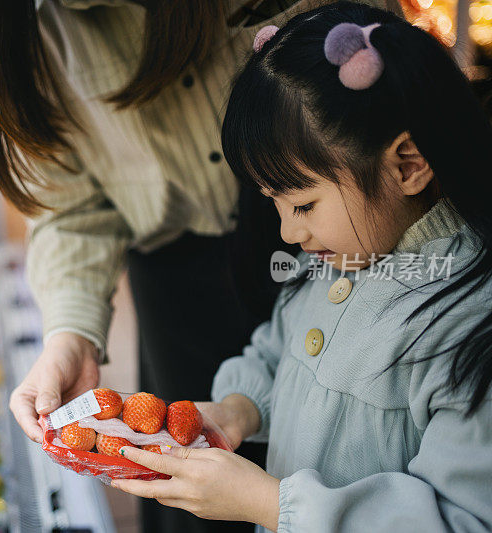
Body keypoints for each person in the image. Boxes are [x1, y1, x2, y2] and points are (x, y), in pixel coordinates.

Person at [0, 1, 390, 531]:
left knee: (341, 451)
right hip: (178, 280)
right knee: (190, 492)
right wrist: (71, 336)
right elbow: (70, 206)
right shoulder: (26, 29)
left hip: (345, 242)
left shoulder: (427, 301)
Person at [109, 3, 492, 531]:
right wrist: (238, 410)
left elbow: (462, 520)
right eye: (274, 203)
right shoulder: (345, 257)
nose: (288, 233)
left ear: (408, 164)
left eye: (304, 205)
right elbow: (279, 349)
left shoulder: (469, 329)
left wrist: (269, 504)